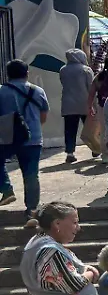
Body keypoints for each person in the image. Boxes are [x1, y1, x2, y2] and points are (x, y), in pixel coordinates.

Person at [0, 59, 50, 219]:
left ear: (8, 74)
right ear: (27, 73)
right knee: (31, 173)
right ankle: (32, 210)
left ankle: (6, 188)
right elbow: (43, 116)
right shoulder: (38, 91)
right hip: (33, 137)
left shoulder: (2, 91)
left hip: (7, 138)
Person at [59, 49, 94, 164]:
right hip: (85, 103)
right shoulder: (86, 70)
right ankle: (95, 148)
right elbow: (91, 87)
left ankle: (70, 153)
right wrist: (93, 104)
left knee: (70, 129)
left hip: (68, 104)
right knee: (90, 128)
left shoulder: (63, 70)